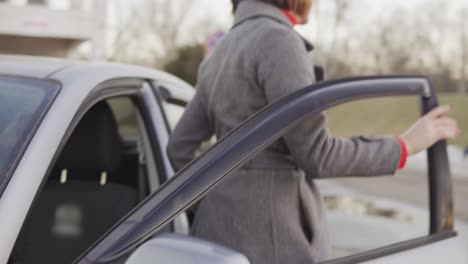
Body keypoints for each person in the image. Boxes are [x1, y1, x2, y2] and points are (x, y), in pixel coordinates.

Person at [166, 0, 461, 263]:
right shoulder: (278, 41)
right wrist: (404, 144)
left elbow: (178, 148)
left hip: (214, 237)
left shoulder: (219, 54)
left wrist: (216, 202)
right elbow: (318, 155)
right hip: (276, 240)